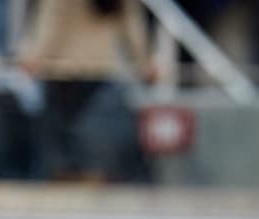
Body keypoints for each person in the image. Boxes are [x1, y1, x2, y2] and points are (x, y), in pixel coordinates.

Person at [17, 0, 157, 183]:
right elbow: (133, 27)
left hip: (62, 71)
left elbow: (53, 22)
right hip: (100, 70)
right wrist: (144, 64)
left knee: (60, 157)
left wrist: (35, 58)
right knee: (93, 159)